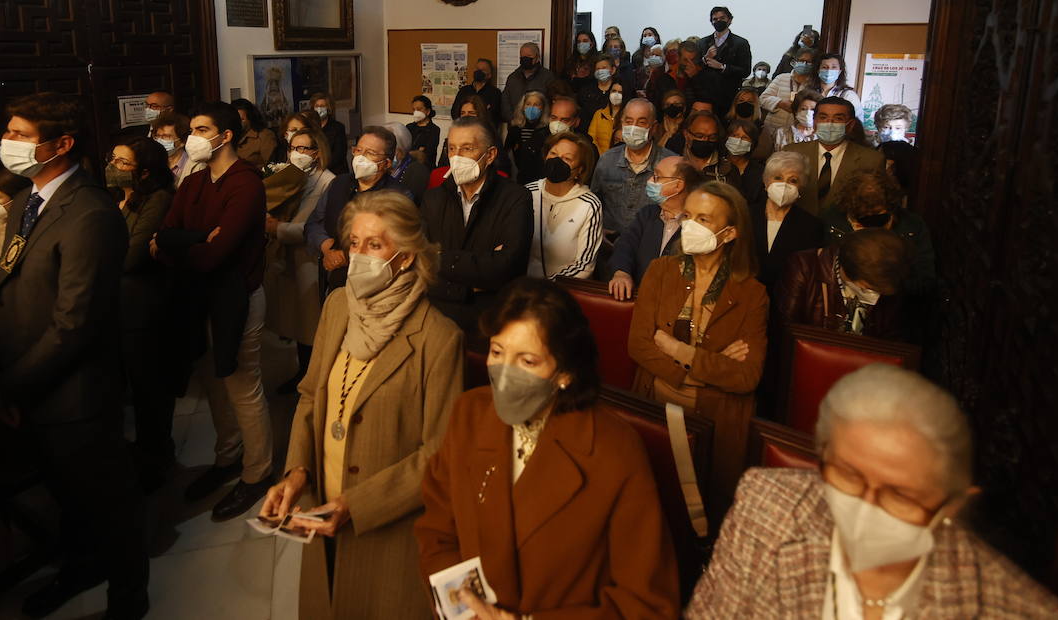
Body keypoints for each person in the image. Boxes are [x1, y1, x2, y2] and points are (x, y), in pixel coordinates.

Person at [688, 364, 1058, 618]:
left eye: (901, 495)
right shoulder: (765, 505)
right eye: (848, 475)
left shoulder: (1013, 609)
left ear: (954, 505)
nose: (864, 509)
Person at [416, 279, 680, 618]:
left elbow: (645, 605)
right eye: (497, 352)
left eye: (527, 361)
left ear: (565, 373)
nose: (505, 374)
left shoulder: (615, 451)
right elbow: (437, 528)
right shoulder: (470, 412)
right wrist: (463, 607)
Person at [259, 191, 463, 619]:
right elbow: (312, 393)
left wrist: (356, 505)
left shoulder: (438, 338)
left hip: (387, 528)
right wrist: (298, 471)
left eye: (375, 245)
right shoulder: (338, 306)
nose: (359, 256)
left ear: (405, 257)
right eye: (354, 243)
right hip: (322, 505)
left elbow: (438, 454)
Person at [0, 92, 147, 618]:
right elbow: (6, 285)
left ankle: (128, 595)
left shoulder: (90, 211)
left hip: (75, 390)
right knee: (65, 497)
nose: (8, 143)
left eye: (20, 136)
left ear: (62, 144)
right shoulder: (25, 202)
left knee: (106, 500)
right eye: (9, 133)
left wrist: (12, 384)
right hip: (30, 379)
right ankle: (78, 568)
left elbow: (74, 322)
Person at [155, 101, 275, 523]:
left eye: (202, 129)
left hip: (237, 296)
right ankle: (228, 456)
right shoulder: (194, 181)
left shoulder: (246, 183)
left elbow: (216, 256)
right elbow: (163, 237)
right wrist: (196, 240)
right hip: (198, 295)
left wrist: (185, 245)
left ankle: (257, 470)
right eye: (193, 128)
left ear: (224, 137)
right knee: (211, 381)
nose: (193, 137)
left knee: (242, 383)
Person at [627, 181, 767, 512]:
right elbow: (638, 344)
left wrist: (678, 350)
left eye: (704, 220)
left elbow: (746, 377)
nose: (689, 225)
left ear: (730, 234)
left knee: (700, 513)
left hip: (714, 420)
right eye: (687, 215)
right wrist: (709, 366)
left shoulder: (751, 293)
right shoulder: (660, 271)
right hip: (655, 405)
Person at [108, 137, 178, 492]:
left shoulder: (159, 199)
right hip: (122, 305)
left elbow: (130, 257)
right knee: (133, 385)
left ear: (145, 171)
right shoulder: (127, 198)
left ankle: (158, 458)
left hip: (146, 307)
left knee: (150, 387)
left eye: (123, 163)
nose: (114, 167)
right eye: (114, 159)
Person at [421, 118, 533, 336]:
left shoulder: (516, 198)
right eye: (452, 148)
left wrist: (441, 257)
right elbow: (420, 262)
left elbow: (506, 268)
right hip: (434, 315)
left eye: (467, 148)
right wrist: (469, 285)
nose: (457, 157)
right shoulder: (432, 198)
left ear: (490, 155)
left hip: (488, 317)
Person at [265, 124, 337, 394]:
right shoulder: (290, 177)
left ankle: (313, 379)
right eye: (293, 148)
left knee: (310, 324)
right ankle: (301, 373)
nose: (296, 153)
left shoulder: (328, 181)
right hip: (287, 257)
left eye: (303, 148)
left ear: (317, 153)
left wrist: (277, 228)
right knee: (296, 322)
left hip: (309, 259)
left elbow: (316, 225)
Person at [306, 127, 407, 296]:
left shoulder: (398, 196)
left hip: (376, 287)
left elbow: (397, 246)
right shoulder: (338, 183)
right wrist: (326, 248)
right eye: (358, 150)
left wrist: (345, 256)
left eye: (370, 153)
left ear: (387, 163)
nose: (360, 157)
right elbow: (314, 223)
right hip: (334, 282)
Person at [775, 228, 914, 341]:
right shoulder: (804, 267)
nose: (874, 294)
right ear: (848, 272)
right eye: (870, 287)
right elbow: (787, 332)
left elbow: (891, 339)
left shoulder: (890, 275)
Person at [822, 170, 937, 298]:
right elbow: (822, 269)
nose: (870, 219)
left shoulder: (912, 226)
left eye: (878, 215)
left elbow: (925, 279)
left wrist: (885, 284)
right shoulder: (832, 221)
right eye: (863, 217)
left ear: (890, 207)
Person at [606, 154, 694, 300]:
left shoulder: (695, 225)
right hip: (639, 298)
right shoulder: (647, 214)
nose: (650, 181)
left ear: (678, 186)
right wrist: (621, 272)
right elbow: (625, 246)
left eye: (657, 177)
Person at [591, 98, 671, 239]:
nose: (633, 127)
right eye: (628, 121)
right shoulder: (606, 160)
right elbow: (594, 202)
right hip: (609, 245)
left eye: (641, 122)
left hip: (649, 245)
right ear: (622, 124)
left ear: (653, 127)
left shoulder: (669, 164)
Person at [526, 132, 602, 279]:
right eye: (553, 153)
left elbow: (584, 265)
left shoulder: (589, 206)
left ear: (580, 169)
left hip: (562, 291)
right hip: (523, 285)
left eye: (567, 158)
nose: (556, 161)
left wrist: (547, 287)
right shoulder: (527, 193)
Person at [750, 151, 828, 293]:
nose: (784, 185)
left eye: (793, 180)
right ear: (766, 182)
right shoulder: (745, 214)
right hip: (745, 297)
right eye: (778, 178)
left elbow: (809, 272)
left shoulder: (811, 226)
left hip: (787, 299)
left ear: (801, 187)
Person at [798, 97, 886, 216]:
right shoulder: (793, 153)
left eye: (838, 118)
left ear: (850, 125)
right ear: (814, 123)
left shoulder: (871, 160)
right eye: (823, 117)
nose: (829, 123)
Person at [759, 46, 822, 132]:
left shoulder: (815, 84)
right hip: (772, 128)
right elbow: (763, 99)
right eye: (801, 60)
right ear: (795, 61)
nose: (804, 64)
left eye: (808, 62)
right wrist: (780, 103)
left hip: (798, 132)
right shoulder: (781, 78)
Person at [698, 6, 753, 88]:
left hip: (729, 91)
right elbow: (694, 67)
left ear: (729, 20)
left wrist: (722, 67)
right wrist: (705, 58)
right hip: (705, 90)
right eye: (715, 19)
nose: (718, 21)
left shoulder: (741, 43)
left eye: (722, 18)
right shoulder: (702, 43)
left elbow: (745, 71)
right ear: (711, 22)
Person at [500, 42, 556, 121]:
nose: (525, 59)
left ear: (537, 58)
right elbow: (505, 102)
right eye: (523, 57)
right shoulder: (512, 77)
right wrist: (514, 120)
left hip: (540, 126)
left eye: (529, 56)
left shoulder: (548, 77)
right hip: (515, 125)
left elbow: (552, 102)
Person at [504, 91, 551, 185]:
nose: (531, 107)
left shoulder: (547, 130)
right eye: (528, 104)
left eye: (536, 104)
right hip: (519, 177)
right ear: (523, 107)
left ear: (543, 108)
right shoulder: (515, 129)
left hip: (541, 178)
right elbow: (506, 153)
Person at [764, 89, 821, 156]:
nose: (808, 113)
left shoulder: (824, 135)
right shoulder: (781, 133)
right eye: (803, 109)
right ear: (796, 111)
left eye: (813, 109)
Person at [152, 111, 202, 187]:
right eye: (157, 136)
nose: (159, 140)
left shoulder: (197, 167)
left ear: (183, 141)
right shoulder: (153, 163)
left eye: (166, 136)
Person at [382, 121, 429, 201]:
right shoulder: (384, 168)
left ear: (400, 147)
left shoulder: (416, 170)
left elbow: (410, 203)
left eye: (387, 148)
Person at [723, 120, 766, 206]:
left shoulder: (760, 173)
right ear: (727, 138)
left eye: (745, 138)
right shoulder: (714, 165)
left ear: (752, 144)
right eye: (735, 136)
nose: (738, 141)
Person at [451, 58, 504, 123]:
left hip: (485, 131)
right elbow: (454, 113)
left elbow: (496, 117)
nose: (479, 71)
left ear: (489, 75)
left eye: (483, 70)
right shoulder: (464, 91)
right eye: (477, 69)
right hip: (465, 128)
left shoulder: (495, 93)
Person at [231, 98, 278, 171]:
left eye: (242, 119)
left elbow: (272, 167)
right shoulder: (229, 136)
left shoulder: (265, 135)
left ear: (250, 118)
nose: (237, 123)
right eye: (235, 120)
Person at [311, 93, 350, 175]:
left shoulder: (338, 128)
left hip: (335, 172)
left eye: (322, 106)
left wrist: (321, 166)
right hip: (315, 173)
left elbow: (339, 154)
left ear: (328, 108)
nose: (319, 109)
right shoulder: (310, 128)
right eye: (317, 106)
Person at [587, 79, 624, 154]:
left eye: (620, 92)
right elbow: (592, 138)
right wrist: (602, 157)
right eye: (614, 91)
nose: (616, 94)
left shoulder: (628, 117)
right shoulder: (599, 114)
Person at [407, 94, 442, 168]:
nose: (415, 112)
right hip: (408, 167)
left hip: (425, 169)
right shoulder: (409, 127)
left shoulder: (434, 129)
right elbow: (403, 148)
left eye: (419, 109)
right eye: (414, 109)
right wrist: (418, 150)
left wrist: (414, 153)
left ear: (428, 111)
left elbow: (427, 154)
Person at [656, 89, 690, 153]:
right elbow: (655, 155)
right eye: (668, 105)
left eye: (677, 104)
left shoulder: (689, 127)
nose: (672, 107)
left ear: (684, 108)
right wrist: (668, 134)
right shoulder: (657, 128)